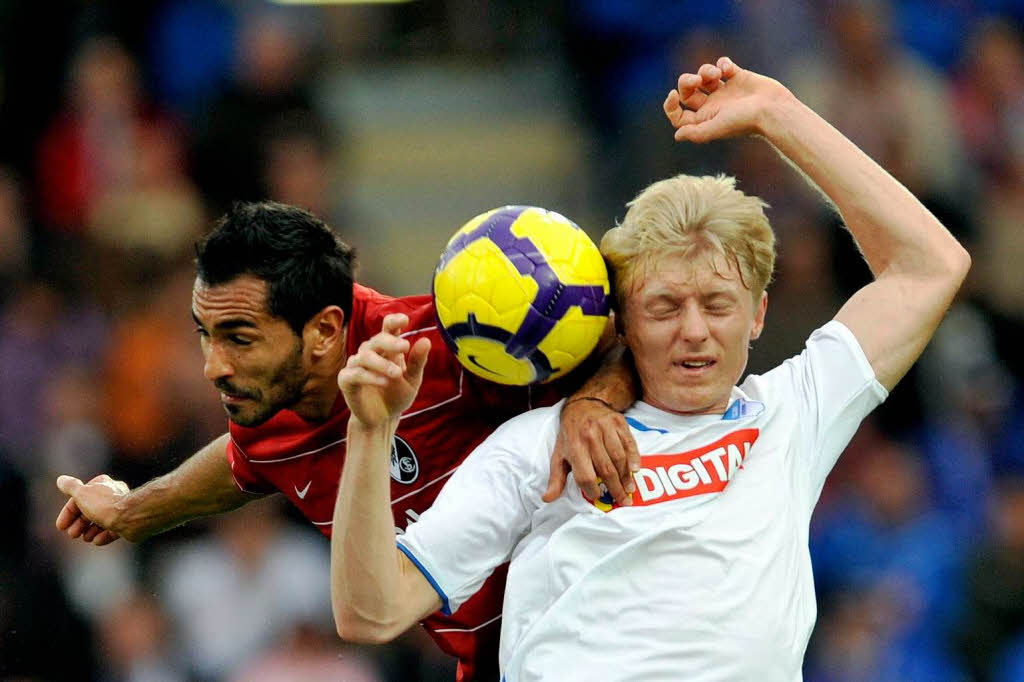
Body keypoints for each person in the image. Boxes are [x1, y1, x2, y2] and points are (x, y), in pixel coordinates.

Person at [329, 57, 971, 681]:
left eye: (718, 303)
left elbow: (931, 264)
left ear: (758, 314)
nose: (694, 329)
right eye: (664, 306)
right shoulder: (537, 448)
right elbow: (371, 612)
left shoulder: (794, 411)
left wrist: (780, 114)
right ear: (623, 322)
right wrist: (368, 433)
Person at [53, 201, 640, 682]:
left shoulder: (454, 349)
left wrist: (593, 400)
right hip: (501, 665)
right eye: (205, 335)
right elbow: (243, 463)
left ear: (325, 330)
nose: (213, 366)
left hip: (613, 641)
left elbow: (631, 344)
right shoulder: (272, 415)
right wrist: (133, 510)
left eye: (238, 339)